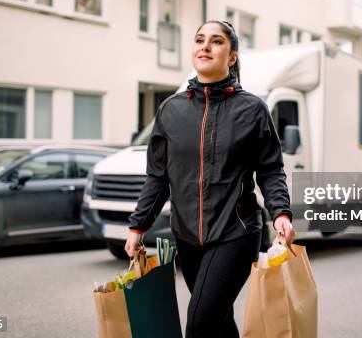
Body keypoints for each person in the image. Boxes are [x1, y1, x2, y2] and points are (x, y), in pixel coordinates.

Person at [124, 20, 295, 337]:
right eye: (199, 39)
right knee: (218, 320)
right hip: (187, 236)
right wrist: (138, 225)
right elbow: (158, 176)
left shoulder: (253, 109)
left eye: (216, 41)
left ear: (231, 57)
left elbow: (270, 169)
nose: (205, 46)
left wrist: (281, 212)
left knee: (200, 321)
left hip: (236, 231)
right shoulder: (170, 110)